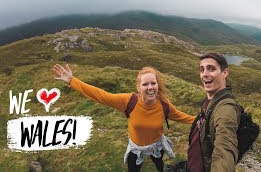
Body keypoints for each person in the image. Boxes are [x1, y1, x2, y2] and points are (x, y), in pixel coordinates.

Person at [52, 64, 195, 172]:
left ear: (157, 85)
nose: (150, 87)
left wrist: (200, 119)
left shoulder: (164, 105)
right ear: (139, 87)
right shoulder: (128, 101)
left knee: (159, 164)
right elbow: (101, 95)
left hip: (156, 145)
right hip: (136, 147)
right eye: (145, 84)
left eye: (153, 83)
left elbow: (181, 116)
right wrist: (72, 81)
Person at [187, 53, 241, 172]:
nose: (205, 74)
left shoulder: (226, 109)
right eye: (202, 70)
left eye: (211, 69)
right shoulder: (210, 101)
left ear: (225, 73)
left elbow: (224, 151)